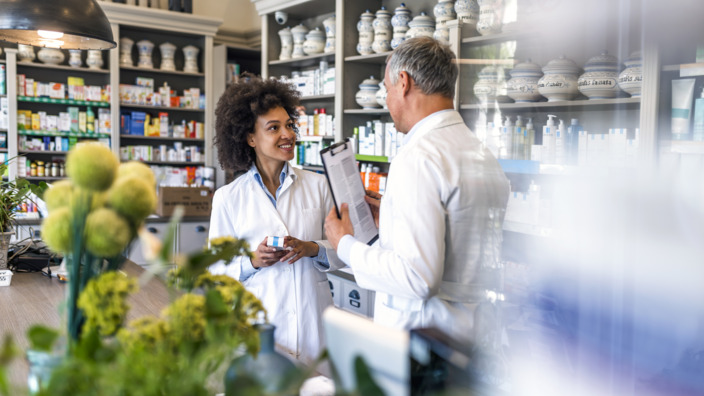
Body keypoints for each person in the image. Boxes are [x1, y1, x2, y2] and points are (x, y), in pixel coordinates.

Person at [323, 37, 510, 345]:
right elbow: (456, 238)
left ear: (404, 82)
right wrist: (394, 222)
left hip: (425, 338)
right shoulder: (479, 152)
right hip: (471, 333)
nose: (386, 99)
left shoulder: (419, 156)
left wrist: (344, 244)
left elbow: (417, 277)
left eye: (386, 89)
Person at [209, 75, 341, 366]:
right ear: (250, 138)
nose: (288, 134)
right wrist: (252, 260)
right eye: (274, 128)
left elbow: (344, 249)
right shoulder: (228, 198)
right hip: (259, 326)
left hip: (312, 324)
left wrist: (312, 248)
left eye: (289, 125)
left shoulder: (319, 185)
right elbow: (217, 272)